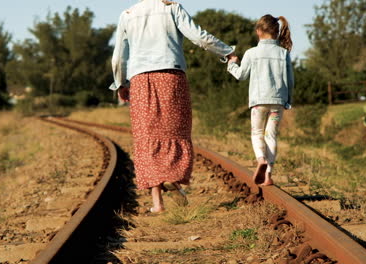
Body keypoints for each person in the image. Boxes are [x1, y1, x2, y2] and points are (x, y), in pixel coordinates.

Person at [111, 0, 235, 213]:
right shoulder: (171, 8)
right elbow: (198, 37)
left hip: (140, 79)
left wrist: (120, 83)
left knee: (146, 136)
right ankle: (174, 178)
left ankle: (157, 203)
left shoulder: (128, 14)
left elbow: (119, 56)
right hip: (171, 75)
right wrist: (226, 51)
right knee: (175, 130)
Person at [227, 14, 294, 186]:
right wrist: (288, 100)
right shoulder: (283, 53)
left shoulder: (252, 53)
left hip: (258, 102)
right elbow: (290, 80)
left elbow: (241, 76)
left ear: (258, 31)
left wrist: (232, 63)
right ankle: (269, 175)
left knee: (257, 133)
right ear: (276, 32)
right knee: (271, 135)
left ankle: (261, 159)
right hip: (278, 101)